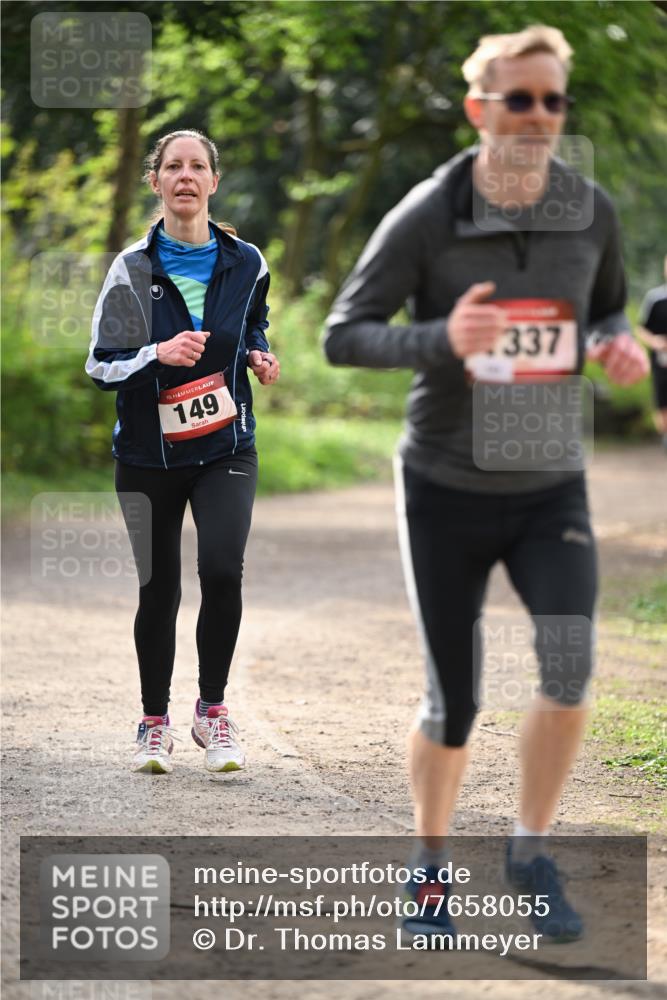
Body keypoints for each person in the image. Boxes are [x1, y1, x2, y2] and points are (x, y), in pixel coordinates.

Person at [324, 25, 648, 943]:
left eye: (553, 100)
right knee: (455, 699)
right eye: (520, 99)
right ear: (479, 109)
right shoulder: (429, 213)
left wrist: (615, 343)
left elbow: (605, 307)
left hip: (551, 486)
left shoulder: (590, 210)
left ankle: (529, 851)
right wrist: (442, 339)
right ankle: (428, 869)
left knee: (568, 671)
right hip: (445, 484)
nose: (540, 115)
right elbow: (343, 334)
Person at [86, 129, 280, 775]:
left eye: (198, 166)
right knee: (158, 587)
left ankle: (212, 711)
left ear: (213, 182)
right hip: (148, 455)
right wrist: (156, 354)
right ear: (157, 181)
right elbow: (101, 364)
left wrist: (259, 354)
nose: (186, 176)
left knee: (222, 569)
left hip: (226, 445)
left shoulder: (247, 261)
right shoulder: (131, 268)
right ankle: (153, 723)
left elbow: (252, 324)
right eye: (173, 166)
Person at [635, 255, 667, 450]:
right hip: (660, 360)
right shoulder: (655, 298)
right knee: (661, 400)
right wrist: (655, 342)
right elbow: (641, 329)